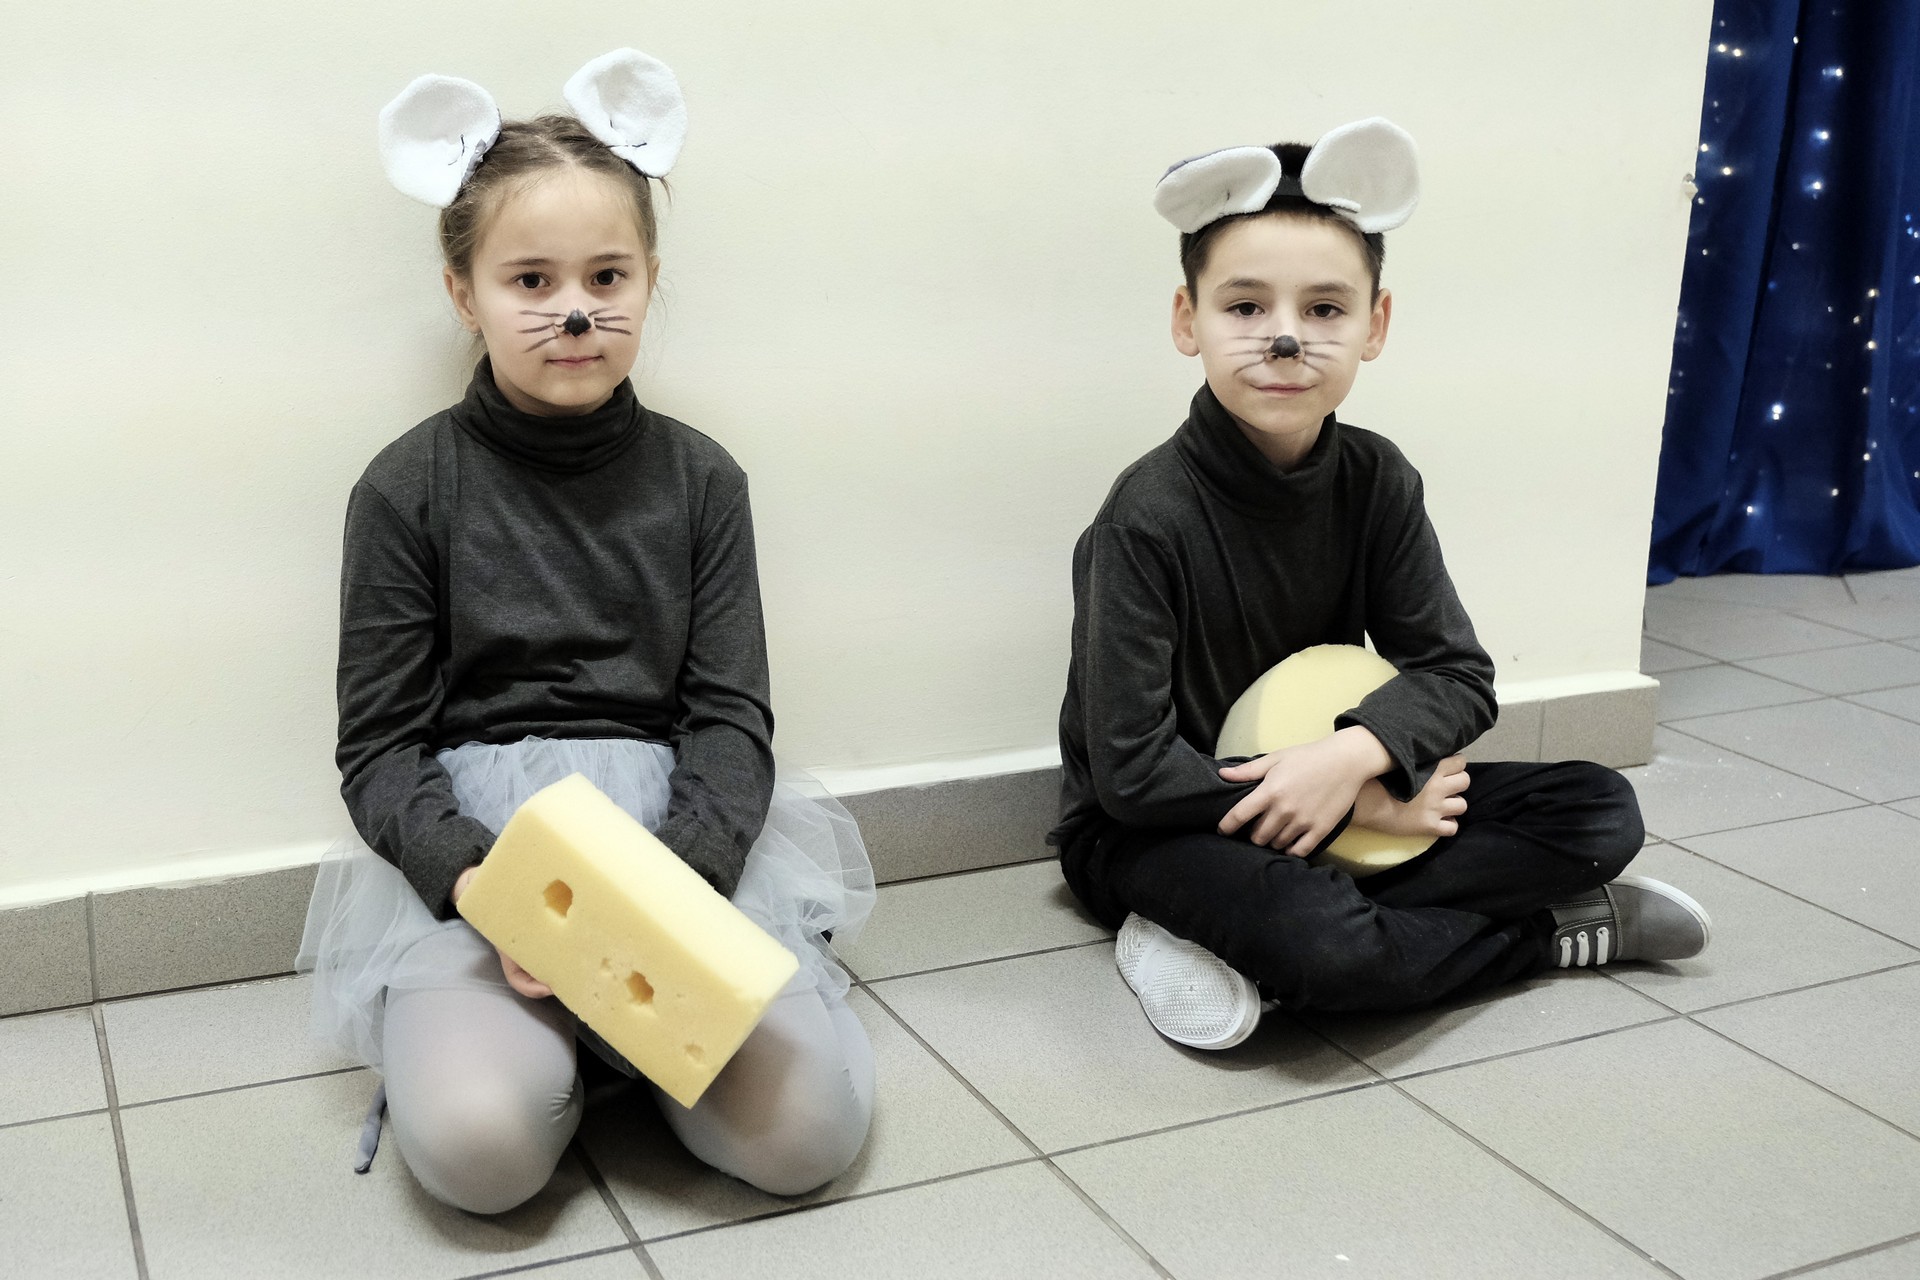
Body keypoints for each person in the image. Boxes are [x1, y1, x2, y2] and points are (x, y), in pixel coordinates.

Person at [297, 50, 875, 1214]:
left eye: (608, 274)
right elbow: (381, 747)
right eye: (530, 278)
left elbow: (729, 715)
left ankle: (628, 1059)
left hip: (671, 838)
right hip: (488, 851)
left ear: (650, 278)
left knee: (809, 1135)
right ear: (464, 293)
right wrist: (491, 892)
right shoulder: (405, 488)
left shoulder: (703, 481)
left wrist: (668, 893)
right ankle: (548, 1064)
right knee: (480, 1153)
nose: (576, 309)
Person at [1050, 119, 1709, 1052]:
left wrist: (1353, 761)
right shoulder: (1144, 519)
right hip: (1161, 826)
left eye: (1325, 309)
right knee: (1324, 945)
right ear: (1188, 321)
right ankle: (1540, 936)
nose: (1285, 338)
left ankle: (1246, 938)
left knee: (1598, 809)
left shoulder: (1377, 480)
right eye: (1245, 307)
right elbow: (1131, 774)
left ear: (1376, 325)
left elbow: (1456, 674)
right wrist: (1357, 809)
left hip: (1337, 780)